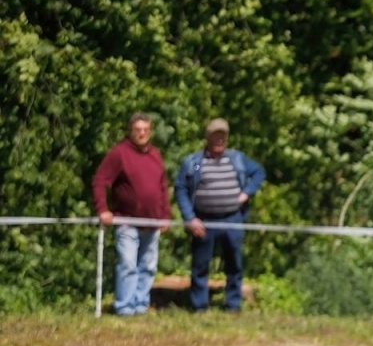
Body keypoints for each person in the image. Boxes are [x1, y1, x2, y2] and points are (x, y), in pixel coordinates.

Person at [175, 119, 264, 313]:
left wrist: (246, 192)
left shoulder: (237, 160)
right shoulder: (197, 163)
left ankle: (233, 305)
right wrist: (190, 218)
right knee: (200, 265)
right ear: (207, 137)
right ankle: (199, 306)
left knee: (234, 263)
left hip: (233, 218)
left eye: (222, 135)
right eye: (215, 135)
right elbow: (182, 185)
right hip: (204, 220)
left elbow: (258, 172)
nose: (219, 139)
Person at [92, 112, 173, 316]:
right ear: (131, 132)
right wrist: (103, 209)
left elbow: (162, 186)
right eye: (138, 130)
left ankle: (140, 305)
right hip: (127, 221)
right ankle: (125, 307)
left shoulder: (155, 154)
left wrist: (166, 215)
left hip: (152, 222)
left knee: (148, 266)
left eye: (145, 130)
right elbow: (100, 181)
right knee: (128, 264)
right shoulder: (120, 153)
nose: (142, 133)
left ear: (150, 132)